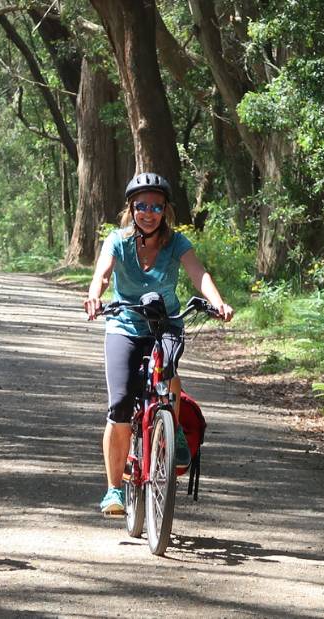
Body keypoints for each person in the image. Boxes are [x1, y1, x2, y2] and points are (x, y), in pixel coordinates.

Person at [84, 172, 234, 517]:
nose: (148, 212)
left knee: (167, 375)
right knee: (120, 405)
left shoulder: (176, 243)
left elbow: (199, 273)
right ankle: (113, 490)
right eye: (141, 206)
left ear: (165, 210)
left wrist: (218, 301)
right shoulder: (117, 241)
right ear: (130, 209)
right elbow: (103, 273)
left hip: (165, 324)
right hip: (124, 325)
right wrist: (94, 296)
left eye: (156, 206)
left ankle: (172, 428)